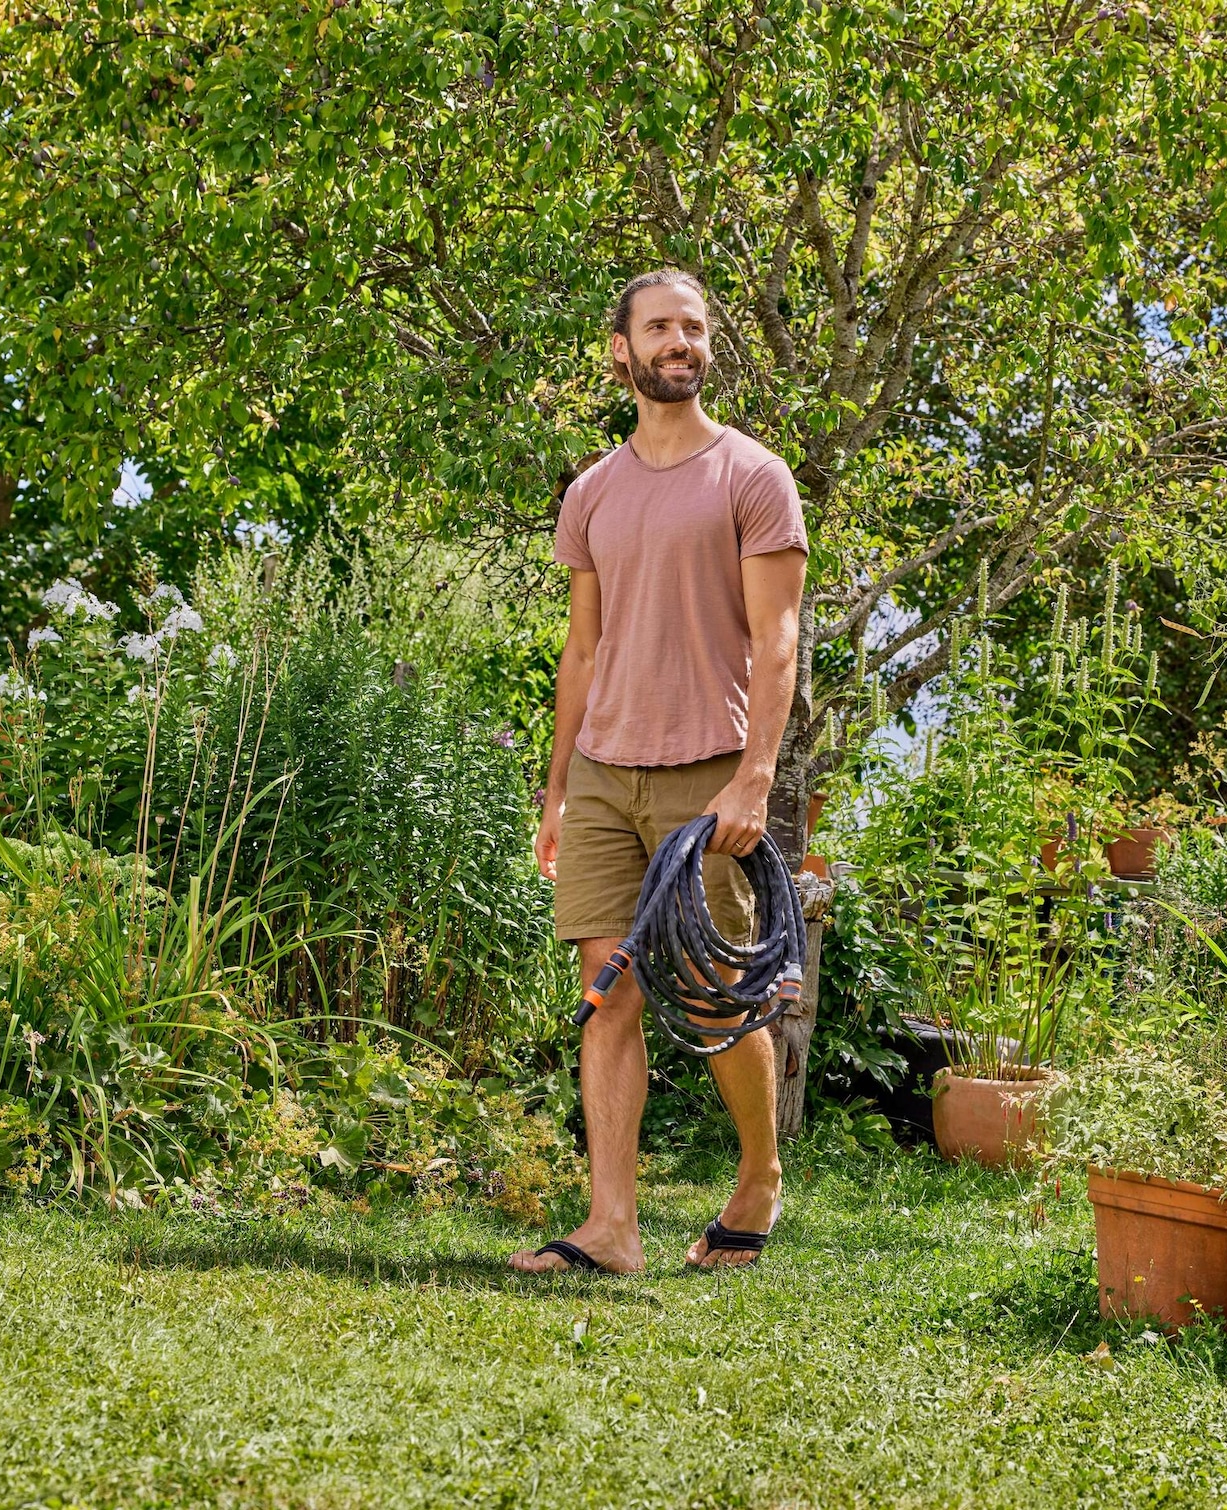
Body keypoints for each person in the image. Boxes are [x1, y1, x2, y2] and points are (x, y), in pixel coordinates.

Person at [507, 268, 807, 1274]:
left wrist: (756, 776)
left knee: (720, 994)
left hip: (706, 772)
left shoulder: (752, 476)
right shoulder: (593, 491)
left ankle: (760, 1179)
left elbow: (778, 639)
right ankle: (613, 1227)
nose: (680, 341)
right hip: (602, 771)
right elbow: (582, 649)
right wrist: (556, 788)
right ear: (621, 353)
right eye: (660, 328)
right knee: (609, 989)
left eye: (694, 327)